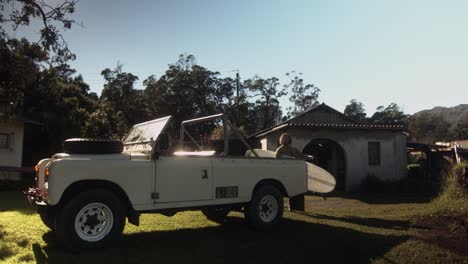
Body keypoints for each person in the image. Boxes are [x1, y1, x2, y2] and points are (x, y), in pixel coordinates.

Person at [275, 133, 305, 211]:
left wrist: (309, 156)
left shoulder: (293, 149)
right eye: (284, 138)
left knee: (297, 190)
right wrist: (289, 158)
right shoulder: (280, 149)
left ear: (289, 139)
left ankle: (298, 207)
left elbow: (300, 156)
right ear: (281, 140)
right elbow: (276, 158)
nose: (285, 139)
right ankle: (287, 207)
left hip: (295, 172)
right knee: (288, 190)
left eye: (287, 138)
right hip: (285, 173)